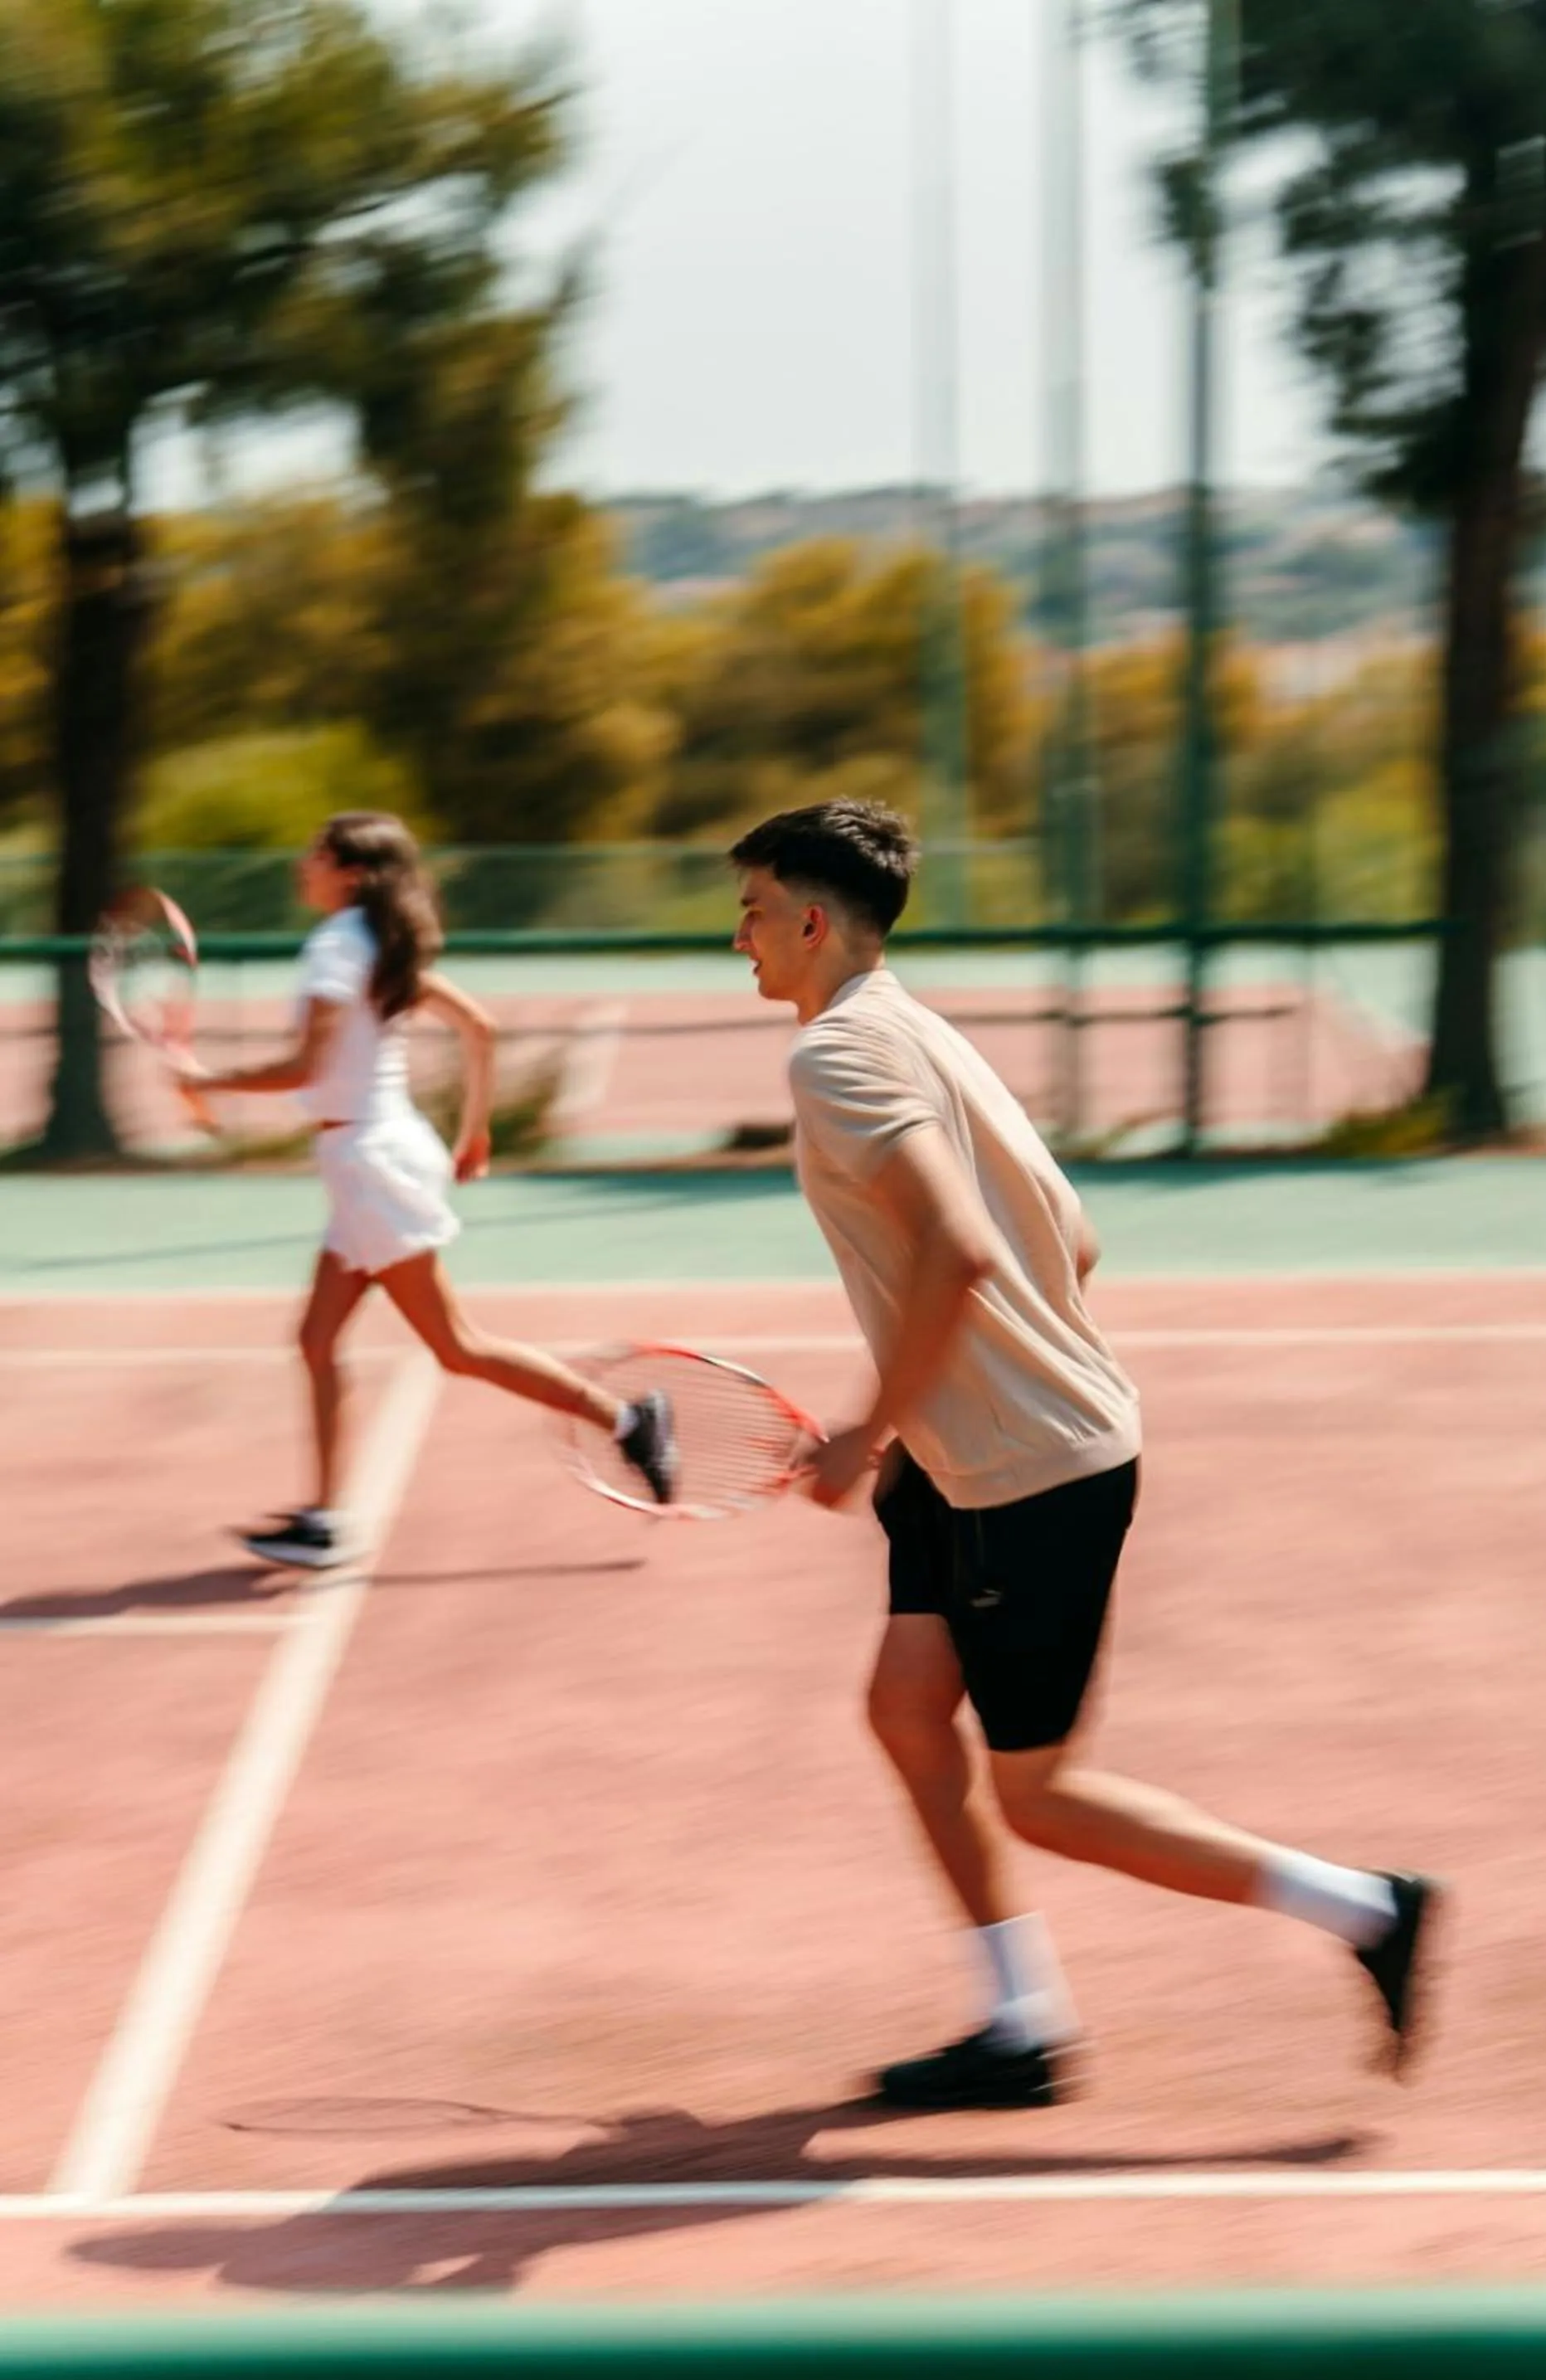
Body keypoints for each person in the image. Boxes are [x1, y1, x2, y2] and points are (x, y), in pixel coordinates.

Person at [729, 796, 1438, 2111]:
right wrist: (945, 1418)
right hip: (972, 1459)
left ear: (814, 921)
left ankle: (1367, 1910)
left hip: (1023, 1474)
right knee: (902, 1713)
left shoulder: (836, 1057)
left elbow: (962, 1249)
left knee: (1043, 1795)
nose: (742, 941)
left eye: (755, 913)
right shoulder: (917, 1028)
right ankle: (1023, 2024)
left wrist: (866, 1430)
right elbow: (1076, 1238)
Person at [178, 810, 676, 1565]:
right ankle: (323, 1516)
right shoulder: (383, 939)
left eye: (314, 854)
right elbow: (479, 1028)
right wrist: (475, 1132)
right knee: (315, 1342)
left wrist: (206, 1079)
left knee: (457, 1346)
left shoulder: (338, 946)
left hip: (369, 1164)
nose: (300, 865)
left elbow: (306, 1069)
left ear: (349, 871)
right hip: (376, 1156)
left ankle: (626, 1422)